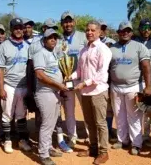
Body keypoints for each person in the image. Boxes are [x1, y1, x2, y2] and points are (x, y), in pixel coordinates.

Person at [72, 20, 112, 164]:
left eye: (93, 30)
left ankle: (103, 152)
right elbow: (79, 71)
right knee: (89, 122)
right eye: (87, 30)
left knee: (100, 123)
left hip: (98, 91)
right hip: (86, 93)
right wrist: (69, 77)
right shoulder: (83, 50)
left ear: (100, 32)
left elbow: (101, 74)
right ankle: (93, 148)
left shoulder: (104, 49)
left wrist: (84, 83)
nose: (89, 32)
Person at [109, 21, 151, 155]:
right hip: (115, 87)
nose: (125, 33)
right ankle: (123, 140)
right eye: (122, 31)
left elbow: (146, 67)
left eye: (128, 30)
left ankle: (136, 143)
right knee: (119, 116)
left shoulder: (139, 47)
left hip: (133, 86)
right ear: (118, 33)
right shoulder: (111, 48)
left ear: (132, 32)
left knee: (134, 116)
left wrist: (148, 86)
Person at [0, 18, 32, 153]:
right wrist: (1, 88)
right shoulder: (3, 47)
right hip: (9, 86)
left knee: (22, 114)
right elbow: (0, 69)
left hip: (23, 86)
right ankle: (7, 140)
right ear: (11, 29)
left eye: (20, 27)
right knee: (7, 114)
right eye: (15, 28)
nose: (18, 30)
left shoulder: (28, 46)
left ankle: (22, 141)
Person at [33, 29, 67, 165]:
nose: (53, 40)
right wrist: (57, 84)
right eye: (50, 38)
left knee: (52, 123)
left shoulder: (53, 53)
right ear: (44, 40)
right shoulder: (40, 54)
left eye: (55, 37)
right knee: (47, 123)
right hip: (45, 92)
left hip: (55, 92)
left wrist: (60, 85)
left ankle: (48, 147)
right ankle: (43, 154)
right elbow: (40, 75)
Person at [60, 11, 89, 147]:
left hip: (82, 79)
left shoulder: (83, 37)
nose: (68, 24)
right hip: (66, 80)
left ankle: (91, 135)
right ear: (61, 24)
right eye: (65, 22)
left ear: (74, 22)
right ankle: (72, 137)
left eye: (70, 21)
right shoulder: (58, 39)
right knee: (69, 110)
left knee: (87, 108)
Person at [134, 18, 151, 147]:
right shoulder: (133, 42)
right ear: (139, 29)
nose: (146, 31)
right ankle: (135, 135)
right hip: (135, 81)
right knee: (135, 110)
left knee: (148, 111)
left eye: (149, 28)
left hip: (150, 81)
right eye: (144, 28)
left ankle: (146, 135)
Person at [98, 19, 117, 143]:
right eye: (100, 28)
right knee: (99, 106)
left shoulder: (113, 43)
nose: (102, 31)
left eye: (104, 28)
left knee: (110, 107)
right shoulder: (91, 42)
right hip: (98, 80)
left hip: (110, 79)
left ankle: (109, 129)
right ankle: (99, 130)